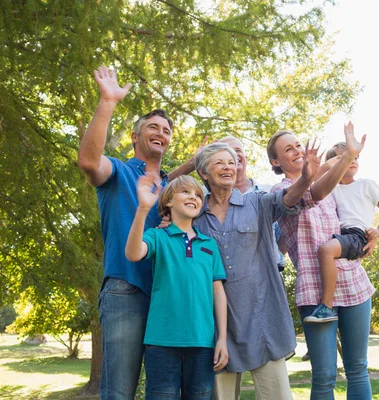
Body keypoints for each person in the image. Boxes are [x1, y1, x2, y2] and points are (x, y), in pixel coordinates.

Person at [191, 141, 332, 400]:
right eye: (220, 162)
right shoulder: (194, 215)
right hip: (215, 329)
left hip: (263, 321)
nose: (228, 167)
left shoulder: (257, 202)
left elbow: (288, 199)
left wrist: (305, 178)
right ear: (203, 173)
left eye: (232, 163)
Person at [78, 66, 175, 399]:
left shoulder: (172, 189)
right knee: (119, 392)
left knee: (166, 392)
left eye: (166, 130)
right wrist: (108, 101)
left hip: (167, 296)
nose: (161, 132)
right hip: (126, 290)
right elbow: (90, 162)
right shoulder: (119, 171)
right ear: (135, 136)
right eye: (153, 127)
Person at [269, 122, 375, 399]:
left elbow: (351, 214)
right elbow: (313, 194)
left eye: (298, 145)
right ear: (276, 161)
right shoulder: (278, 193)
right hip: (315, 292)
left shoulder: (328, 182)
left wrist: (372, 234)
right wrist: (346, 157)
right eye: (287, 149)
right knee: (325, 376)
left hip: (352, 280)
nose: (296, 151)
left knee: (357, 368)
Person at [125, 175, 228, 399]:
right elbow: (133, 253)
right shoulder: (157, 236)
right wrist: (143, 210)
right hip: (161, 342)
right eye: (186, 192)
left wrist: (221, 339)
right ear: (168, 202)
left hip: (202, 343)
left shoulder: (209, 244)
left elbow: (218, 292)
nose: (193, 197)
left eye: (198, 195)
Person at [305, 142, 379, 323]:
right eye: (346, 158)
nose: (353, 161)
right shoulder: (332, 189)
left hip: (358, 235)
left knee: (326, 250)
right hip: (339, 234)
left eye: (355, 158)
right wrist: (328, 166)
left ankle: (326, 307)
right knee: (325, 250)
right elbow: (313, 183)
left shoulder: (366, 184)